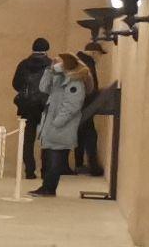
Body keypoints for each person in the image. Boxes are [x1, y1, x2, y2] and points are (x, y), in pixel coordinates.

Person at [32, 53, 92, 196]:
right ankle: (45, 186)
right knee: (47, 158)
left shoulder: (75, 83)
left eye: (61, 62)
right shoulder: (60, 79)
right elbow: (43, 88)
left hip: (61, 128)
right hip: (51, 126)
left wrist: (57, 122)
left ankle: (49, 188)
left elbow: (71, 106)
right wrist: (49, 71)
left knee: (55, 160)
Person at [11, 38, 53, 178]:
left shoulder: (24, 64)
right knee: (46, 139)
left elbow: (16, 84)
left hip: (27, 106)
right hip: (45, 105)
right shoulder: (51, 65)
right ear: (47, 49)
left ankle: (29, 170)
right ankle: (45, 170)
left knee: (27, 139)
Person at [73, 50, 106, 176]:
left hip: (78, 105)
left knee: (79, 136)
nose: (100, 58)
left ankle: (79, 164)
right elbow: (92, 87)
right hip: (86, 105)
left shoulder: (78, 61)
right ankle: (93, 166)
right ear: (94, 52)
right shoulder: (88, 63)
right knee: (90, 136)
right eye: (99, 54)